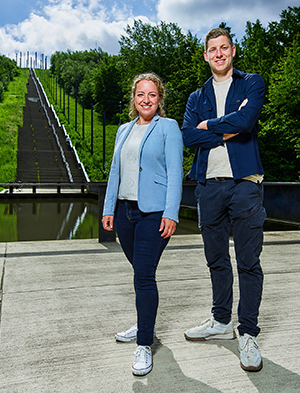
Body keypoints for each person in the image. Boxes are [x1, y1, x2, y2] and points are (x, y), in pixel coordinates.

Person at [181, 27, 266, 372]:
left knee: (248, 261)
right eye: (212, 49)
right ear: (205, 55)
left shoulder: (251, 83)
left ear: (233, 51)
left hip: (244, 183)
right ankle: (220, 321)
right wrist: (226, 129)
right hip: (208, 185)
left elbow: (247, 121)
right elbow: (187, 136)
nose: (218, 53)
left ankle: (247, 331)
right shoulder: (195, 96)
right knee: (216, 259)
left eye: (223, 48)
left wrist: (209, 127)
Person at [101, 72, 184, 376]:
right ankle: (143, 321)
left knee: (145, 275)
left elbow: (176, 172)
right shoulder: (123, 130)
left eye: (152, 94)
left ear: (159, 98)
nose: (145, 100)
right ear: (133, 99)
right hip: (125, 213)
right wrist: (109, 207)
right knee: (139, 273)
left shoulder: (169, 128)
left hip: (154, 213)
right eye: (140, 95)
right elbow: (114, 172)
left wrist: (171, 213)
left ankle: (144, 344)